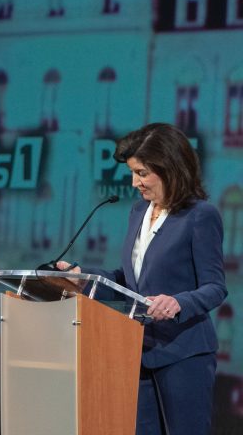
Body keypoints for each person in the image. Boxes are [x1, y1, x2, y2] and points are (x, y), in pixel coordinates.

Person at [58, 122, 226, 435]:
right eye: (133, 173)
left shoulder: (201, 216)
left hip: (184, 353)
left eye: (143, 173)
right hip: (138, 351)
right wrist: (82, 278)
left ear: (171, 168)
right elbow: (129, 280)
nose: (135, 182)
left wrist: (177, 302)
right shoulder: (138, 212)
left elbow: (215, 287)